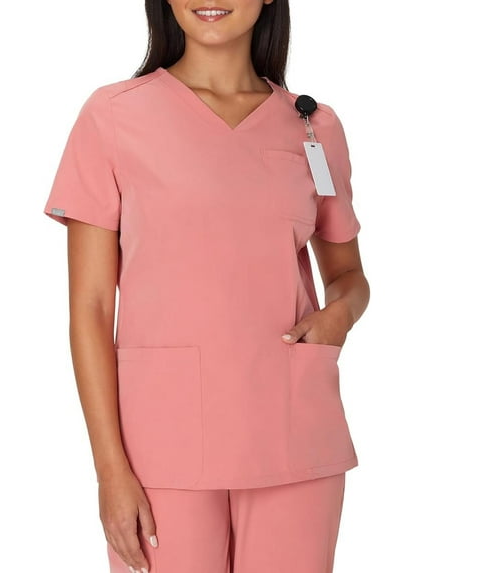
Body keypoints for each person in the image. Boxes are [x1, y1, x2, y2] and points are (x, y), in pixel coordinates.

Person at [43, 1, 370, 572]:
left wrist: (338, 315)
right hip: (160, 444)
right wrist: (110, 470)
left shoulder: (313, 126)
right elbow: (91, 308)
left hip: (294, 428)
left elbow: (348, 275)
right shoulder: (113, 116)